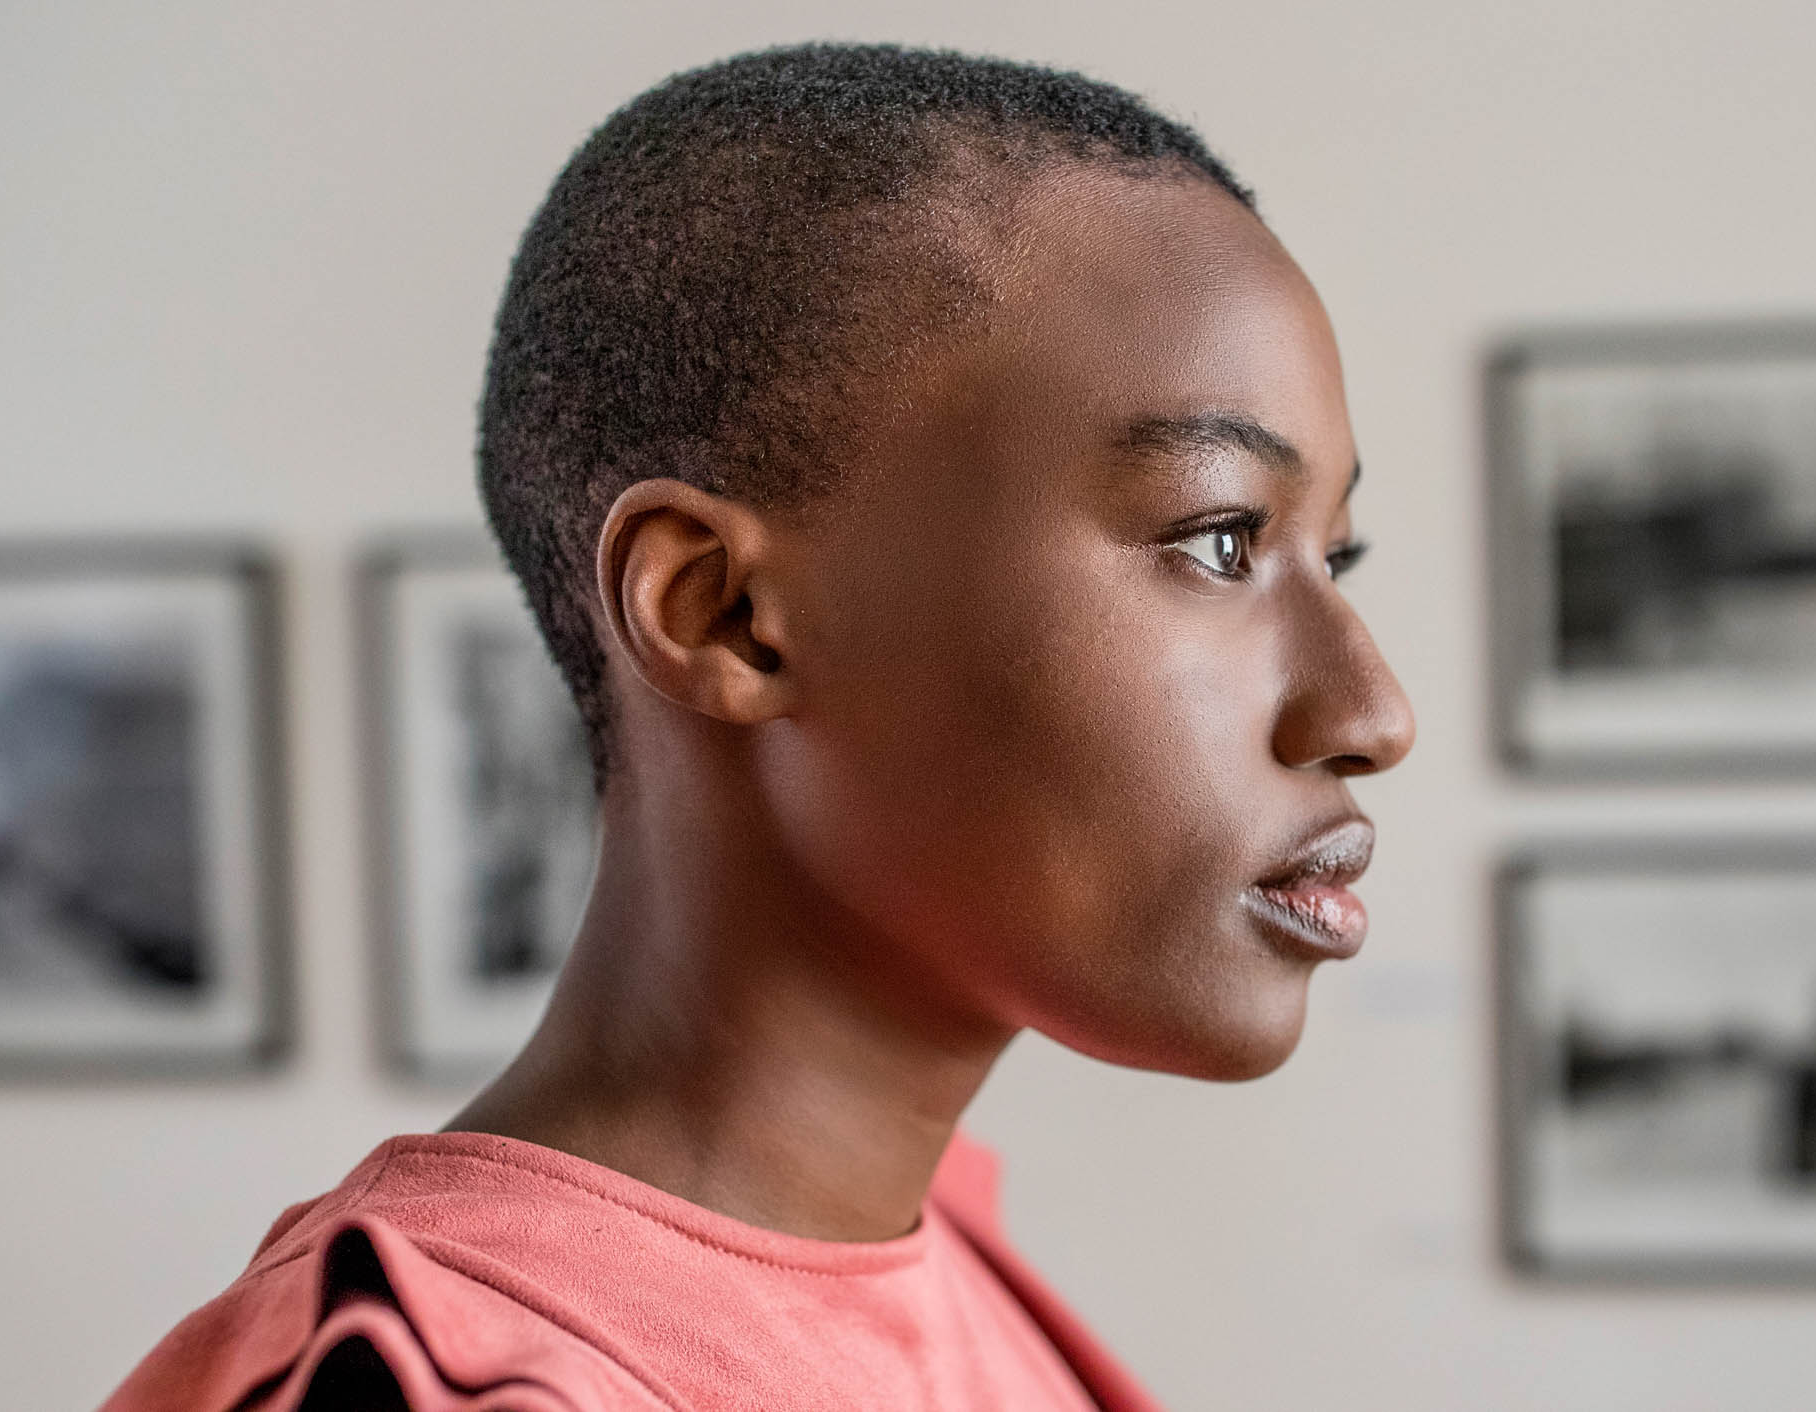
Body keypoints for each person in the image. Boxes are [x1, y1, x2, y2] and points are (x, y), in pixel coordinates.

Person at [103, 41, 1413, 1412]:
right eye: (1217, 539)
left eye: (1339, 556)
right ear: (723, 613)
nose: (1374, 714)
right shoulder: (433, 1380)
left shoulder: (953, 1279)